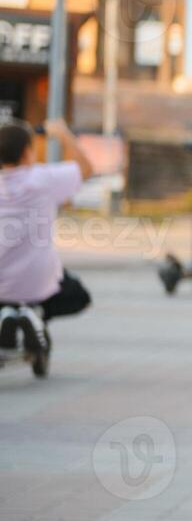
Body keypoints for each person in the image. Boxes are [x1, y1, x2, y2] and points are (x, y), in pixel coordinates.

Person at [0, 118, 94, 349]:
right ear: (27, 152)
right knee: (78, 295)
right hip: (37, 282)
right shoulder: (42, 179)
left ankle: (7, 314)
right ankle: (36, 314)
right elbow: (86, 169)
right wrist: (63, 134)